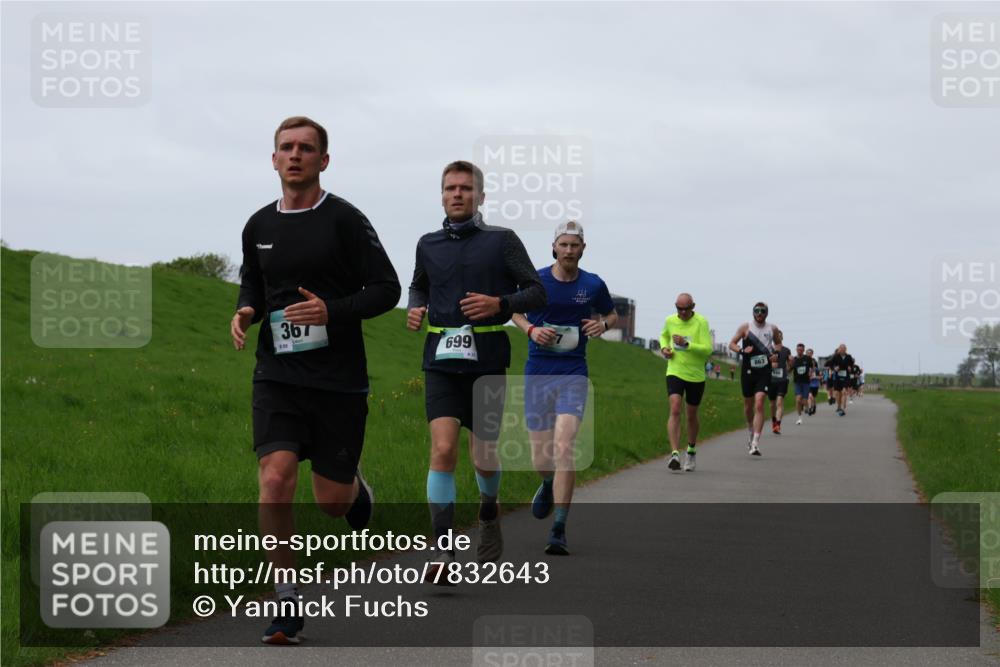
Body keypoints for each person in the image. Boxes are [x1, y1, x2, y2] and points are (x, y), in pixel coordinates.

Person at [232, 116, 401, 644]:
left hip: (338, 381)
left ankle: (354, 492)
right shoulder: (258, 225)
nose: (296, 155)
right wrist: (245, 310)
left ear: (323, 160)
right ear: (275, 158)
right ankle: (285, 602)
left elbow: (386, 289)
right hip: (278, 374)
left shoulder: (346, 220)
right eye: (287, 147)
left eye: (307, 148)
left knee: (330, 501)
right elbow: (253, 281)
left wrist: (333, 311)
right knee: (275, 478)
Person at [407, 161, 546, 580]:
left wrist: (500, 305)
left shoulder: (502, 240)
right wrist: (416, 305)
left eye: (466, 189)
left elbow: (535, 291)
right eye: (450, 188)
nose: (457, 194)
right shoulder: (428, 243)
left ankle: (489, 508)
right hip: (441, 359)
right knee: (444, 449)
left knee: (483, 454)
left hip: (487, 360)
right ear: (442, 194)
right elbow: (419, 283)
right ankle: (443, 552)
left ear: (481, 197)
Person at [511, 220, 616, 555]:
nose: (569, 250)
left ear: (583, 248)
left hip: (574, 371)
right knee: (542, 458)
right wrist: (530, 330)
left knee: (565, 447)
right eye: (564, 244)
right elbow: (513, 310)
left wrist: (601, 324)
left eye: (575, 245)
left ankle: (558, 528)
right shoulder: (536, 279)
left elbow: (611, 315)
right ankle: (546, 482)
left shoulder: (593, 284)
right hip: (538, 371)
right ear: (554, 247)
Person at [660, 293, 713, 471]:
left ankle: (690, 450)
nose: (682, 312)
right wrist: (664, 348)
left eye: (686, 309)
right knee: (675, 408)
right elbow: (664, 336)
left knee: (691, 415)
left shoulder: (701, 322)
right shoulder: (670, 320)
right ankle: (675, 453)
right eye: (679, 308)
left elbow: (707, 350)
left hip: (696, 375)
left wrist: (687, 344)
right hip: (675, 370)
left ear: (693, 307)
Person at [728, 302, 781, 456]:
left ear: (767, 313)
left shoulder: (772, 328)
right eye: (756, 311)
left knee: (759, 404)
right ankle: (751, 431)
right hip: (748, 371)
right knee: (748, 406)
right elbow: (731, 344)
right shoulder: (745, 327)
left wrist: (775, 354)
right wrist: (742, 350)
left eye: (762, 311)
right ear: (753, 313)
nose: (759, 313)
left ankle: (756, 443)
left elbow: (778, 344)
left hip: (764, 371)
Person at [767, 331, 792, 434]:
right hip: (771, 380)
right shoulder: (769, 349)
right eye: (776, 336)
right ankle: (773, 420)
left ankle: (778, 424)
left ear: (782, 337)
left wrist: (790, 365)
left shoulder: (786, 350)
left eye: (779, 336)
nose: (778, 338)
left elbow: (790, 366)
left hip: (782, 380)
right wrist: (770, 365)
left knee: (779, 402)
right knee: (772, 404)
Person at [826, 344, 855, 416]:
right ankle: (838, 406)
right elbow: (829, 364)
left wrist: (850, 368)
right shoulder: (835, 356)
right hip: (837, 377)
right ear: (839, 349)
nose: (842, 350)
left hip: (845, 377)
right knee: (838, 393)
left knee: (844, 392)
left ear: (846, 349)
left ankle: (843, 408)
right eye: (841, 349)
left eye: (844, 349)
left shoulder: (848, 357)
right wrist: (834, 368)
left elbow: (852, 365)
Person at [791, 343, 816, 425]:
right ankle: (799, 417)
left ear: (803, 350)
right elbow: (789, 369)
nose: (800, 351)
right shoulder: (794, 359)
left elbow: (812, 366)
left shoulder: (807, 358)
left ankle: (808, 407)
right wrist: (789, 363)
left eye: (801, 350)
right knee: (798, 399)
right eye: (798, 350)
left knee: (804, 400)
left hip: (806, 382)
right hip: (797, 382)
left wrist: (811, 372)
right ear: (796, 350)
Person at [806, 348, 820, 415]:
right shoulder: (806, 366)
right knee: (809, 396)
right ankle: (809, 408)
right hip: (808, 384)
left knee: (813, 397)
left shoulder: (816, 369)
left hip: (815, 385)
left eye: (813, 363)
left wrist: (814, 377)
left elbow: (821, 376)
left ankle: (814, 406)